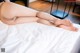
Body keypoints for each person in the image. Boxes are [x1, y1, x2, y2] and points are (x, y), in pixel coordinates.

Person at [0, 2, 78, 31]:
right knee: (36, 14)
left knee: (36, 19)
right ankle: (56, 20)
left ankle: (55, 25)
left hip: (4, 20)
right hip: (4, 7)